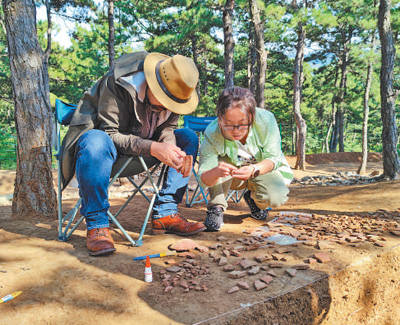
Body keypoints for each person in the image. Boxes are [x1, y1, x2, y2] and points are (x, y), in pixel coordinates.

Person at [60, 51, 206, 256]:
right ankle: (97, 224)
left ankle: (166, 213)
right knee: (94, 140)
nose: (168, 107)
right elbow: (108, 134)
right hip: (104, 157)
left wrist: (171, 150)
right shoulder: (118, 83)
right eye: (165, 100)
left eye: (173, 104)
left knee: (188, 138)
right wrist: (154, 148)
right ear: (152, 82)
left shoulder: (176, 92)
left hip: (143, 153)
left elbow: (167, 129)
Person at [198, 86, 293, 231]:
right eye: (228, 125)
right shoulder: (212, 133)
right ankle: (216, 207)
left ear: (252, 117)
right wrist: (215, 172)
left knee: (276, 197)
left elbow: (273, 158)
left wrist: (254, 169)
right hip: (229, 177)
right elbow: (204, 175)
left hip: (259, 170)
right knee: (218, 162)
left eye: (242, 125)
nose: (236, 131)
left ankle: (254, 198)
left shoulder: (266, 120)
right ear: (219, 119)